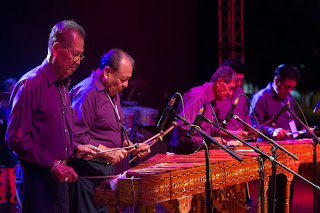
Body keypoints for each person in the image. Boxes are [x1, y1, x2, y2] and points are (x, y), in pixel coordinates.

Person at [5, 20, 100, 213]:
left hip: (58, 178)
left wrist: (74, 148)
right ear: (56, 48)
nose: (78, 61)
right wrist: (54, 163)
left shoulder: (63, 84)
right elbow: (16, 138)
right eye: (75, 54)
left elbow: (51, 133)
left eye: (81, 55)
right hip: (37, 181)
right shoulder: (31, 84)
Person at [68, 49, 151, 213]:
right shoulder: (87, 93)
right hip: (87, 173)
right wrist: (105, 152)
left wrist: (131, 146)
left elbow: (114, 131)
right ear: (107, 72)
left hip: (105, 172)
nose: (126, 85)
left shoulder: (112, 90)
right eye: (123, 79)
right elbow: (75, 136)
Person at [249, 64, 303, 213]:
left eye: (292, 88)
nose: (289, 91)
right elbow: (253, 128)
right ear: (276, 80)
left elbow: (293, 121)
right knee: (271, 201)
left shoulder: (288, 97)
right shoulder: (260, 98)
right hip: (269, 158)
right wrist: (273, 131)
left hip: (288, 155)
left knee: (286, 199)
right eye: (286, 87)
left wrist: (302, 132)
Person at [170, 66, 247, 155]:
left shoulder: (211, 100)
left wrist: (232, 134)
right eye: (230, 88)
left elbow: (208, 128)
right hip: (185, 155)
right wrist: (208, 141)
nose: (231, 94)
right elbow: (185, 127)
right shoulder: (198, 96)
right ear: (219, 82)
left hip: (198, 153)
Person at [215, 58, 253, 141]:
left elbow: (245, 114)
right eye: (236, 80)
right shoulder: (215, 96)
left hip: (240, 143)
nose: (239, 83)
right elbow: (209, 127)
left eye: (241, 80)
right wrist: (232, 134)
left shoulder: (240, 92)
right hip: (223, 144)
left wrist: (250, 129)